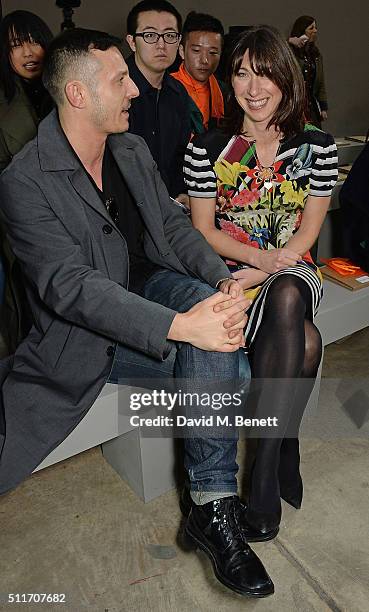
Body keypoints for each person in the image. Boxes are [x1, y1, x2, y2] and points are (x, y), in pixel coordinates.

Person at [0, 28, 274, 598]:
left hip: (153, 289)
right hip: (82, 337)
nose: (133, 89)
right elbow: (70, 288)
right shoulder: (23, 182)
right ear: (78, 94)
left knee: (216, 341)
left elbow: (174, 228)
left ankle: (210, 504)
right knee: (230, 367)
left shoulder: (129, 149)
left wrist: (219, 283)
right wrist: (184, 326)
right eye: (119, 78)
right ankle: (215, 509)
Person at [184, 25, 338, 538]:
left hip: (293, 268)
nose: (253, 86)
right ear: (229, 79)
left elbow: (310, 231)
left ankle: (262, 473)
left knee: (291, 293)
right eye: (241, 72)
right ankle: (285, 441)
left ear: (285, 76)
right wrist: (251, 264)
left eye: (264, 72)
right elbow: (203, 231)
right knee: (307, 343)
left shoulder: (316, 147)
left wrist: (266, 267)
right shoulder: (207, 147)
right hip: (229, 276)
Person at [0, 10, 53, 355]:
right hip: (12, 217)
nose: (29, 52)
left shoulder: (61, 93)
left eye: (34, 41)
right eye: (17, 45)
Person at [125, 0, 190, 206]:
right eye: (150, 35)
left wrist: (183, 192)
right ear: (132, 42)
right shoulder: (115, 90)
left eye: (170, 36)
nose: (161, 45)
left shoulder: (178, 92)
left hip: (171, 208)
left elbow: (181, 154)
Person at [171, 11, 226, 135]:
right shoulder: (167, 89)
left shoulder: (226, 93)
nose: (205, 60)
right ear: (181, 51)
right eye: (196, 50)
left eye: (212, 53)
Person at [289, 15, 328, 128]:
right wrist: (290, 41)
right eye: (311, 28)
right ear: (302, 30)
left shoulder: (315, 54)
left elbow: (320, 83)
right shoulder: (290, 52)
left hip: (311, 106)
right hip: (295, 106)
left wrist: (323, 107)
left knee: (316, 136)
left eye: (315, 28)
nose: (315, 31)